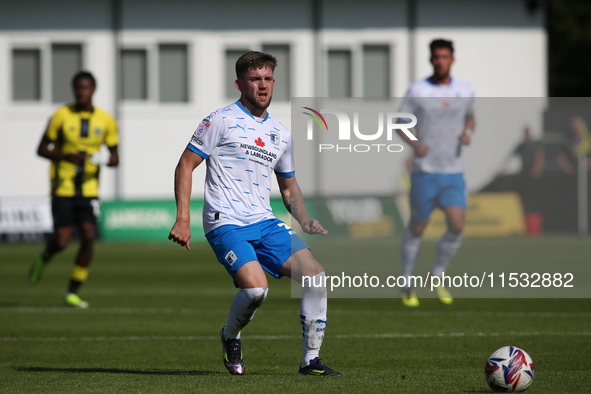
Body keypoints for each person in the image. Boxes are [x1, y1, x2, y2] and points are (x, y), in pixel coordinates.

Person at [168, 51, 341, 376]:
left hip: (264, 221)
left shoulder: (281, 133)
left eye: (267, 79)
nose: (263, 85)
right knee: (256, 290)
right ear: (239, 83)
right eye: (255, 79)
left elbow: (289, 188)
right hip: (225, 221)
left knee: (317, 277)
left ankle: (310, 361)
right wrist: (183, 218)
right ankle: (230, 335)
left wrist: (304, 219)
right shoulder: (219, 120)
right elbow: (185, 165)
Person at [28, 71, 119, 309]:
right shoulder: (61, 115)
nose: (81, 92)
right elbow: (41, 149)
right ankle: (44, 257)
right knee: (62, 241)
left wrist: (102, 159)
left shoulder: (106, 120)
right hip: (63, 188)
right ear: (73, 89)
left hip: (89, 190)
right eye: (78, 88)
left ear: (93, 89)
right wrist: (64, 156)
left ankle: (72, 291)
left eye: (85, 88)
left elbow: (115, 157)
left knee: (89, 237)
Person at [396, 39, 475, 307]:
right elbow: (400, 124)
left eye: (445, 56)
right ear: (431, 60)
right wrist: (415, 144)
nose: (440, 61)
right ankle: (406, 282)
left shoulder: (465, 90)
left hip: (453, 171)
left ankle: (437, 274)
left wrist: (469, 132)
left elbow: (470, 116)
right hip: (425, 172)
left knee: (457, 225)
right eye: (436, 57)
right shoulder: (418, 90)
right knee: (418, 227)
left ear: (452, 59)